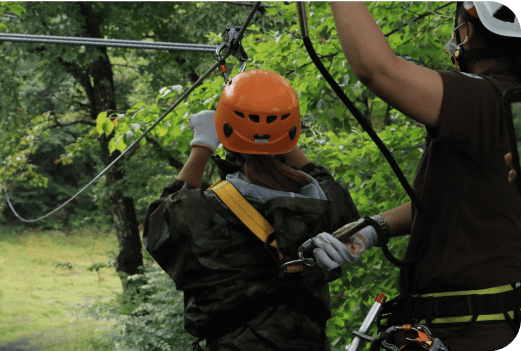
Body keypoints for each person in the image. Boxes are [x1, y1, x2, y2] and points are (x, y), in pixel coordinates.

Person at [307, 2, 521, 350]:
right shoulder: (509, 106)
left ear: (470, 31)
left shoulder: (483, 98)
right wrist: (376, 227)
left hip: (467, 334)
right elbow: (466, 202)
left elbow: (379, 70)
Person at [143, 70, 360, 350]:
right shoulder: (325, 203)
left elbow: (157, 224)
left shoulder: (204, 210)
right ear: (293, 130)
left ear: (224, 129)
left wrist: (203, 144)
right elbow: (324, 183)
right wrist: (282, 139)